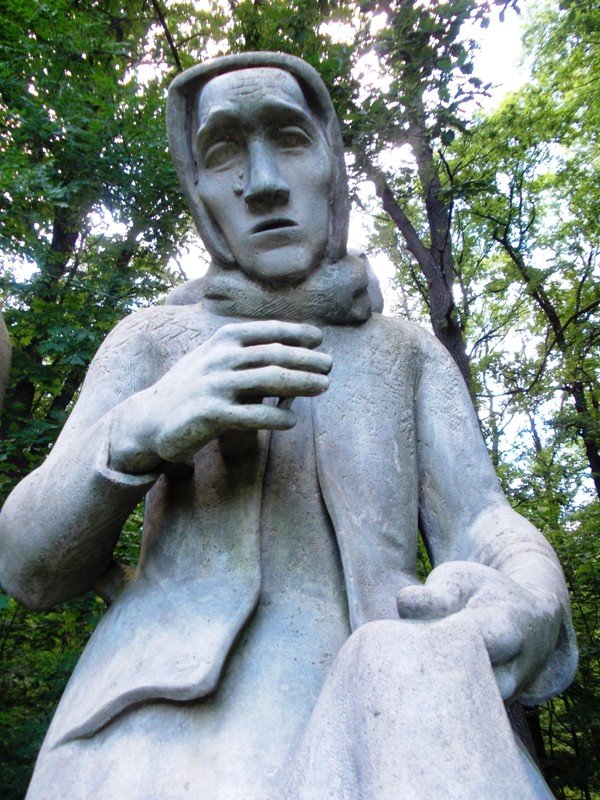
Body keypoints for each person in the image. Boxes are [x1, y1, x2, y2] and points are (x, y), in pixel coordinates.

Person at [0, 53, 577, 800]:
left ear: (331, 165)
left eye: (291, 139)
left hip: (406, 712)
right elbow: (28, 567)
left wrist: (531, 597)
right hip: (159, 728)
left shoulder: (405, 352)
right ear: (199, 189)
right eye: (223, 153)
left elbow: (483, 521)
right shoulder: (151, 341)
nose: (265, 182)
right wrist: (140, 428)